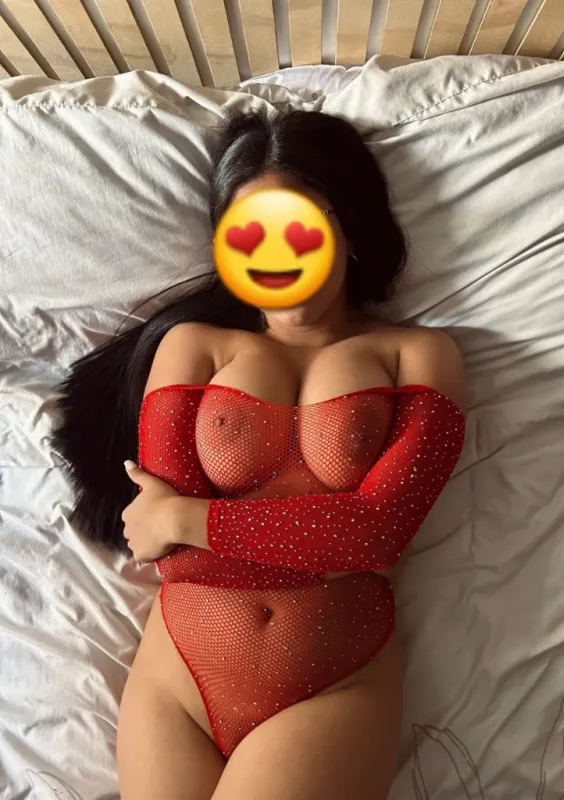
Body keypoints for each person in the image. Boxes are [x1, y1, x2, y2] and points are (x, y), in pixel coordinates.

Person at [51, 108, 467, 800]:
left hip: (332, 688)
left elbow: (380, 537)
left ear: (347, 226)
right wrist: (322, 540)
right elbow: (170, 558)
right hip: (177, 690)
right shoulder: (191, 348)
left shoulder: (420, 356)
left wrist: (186, 519)